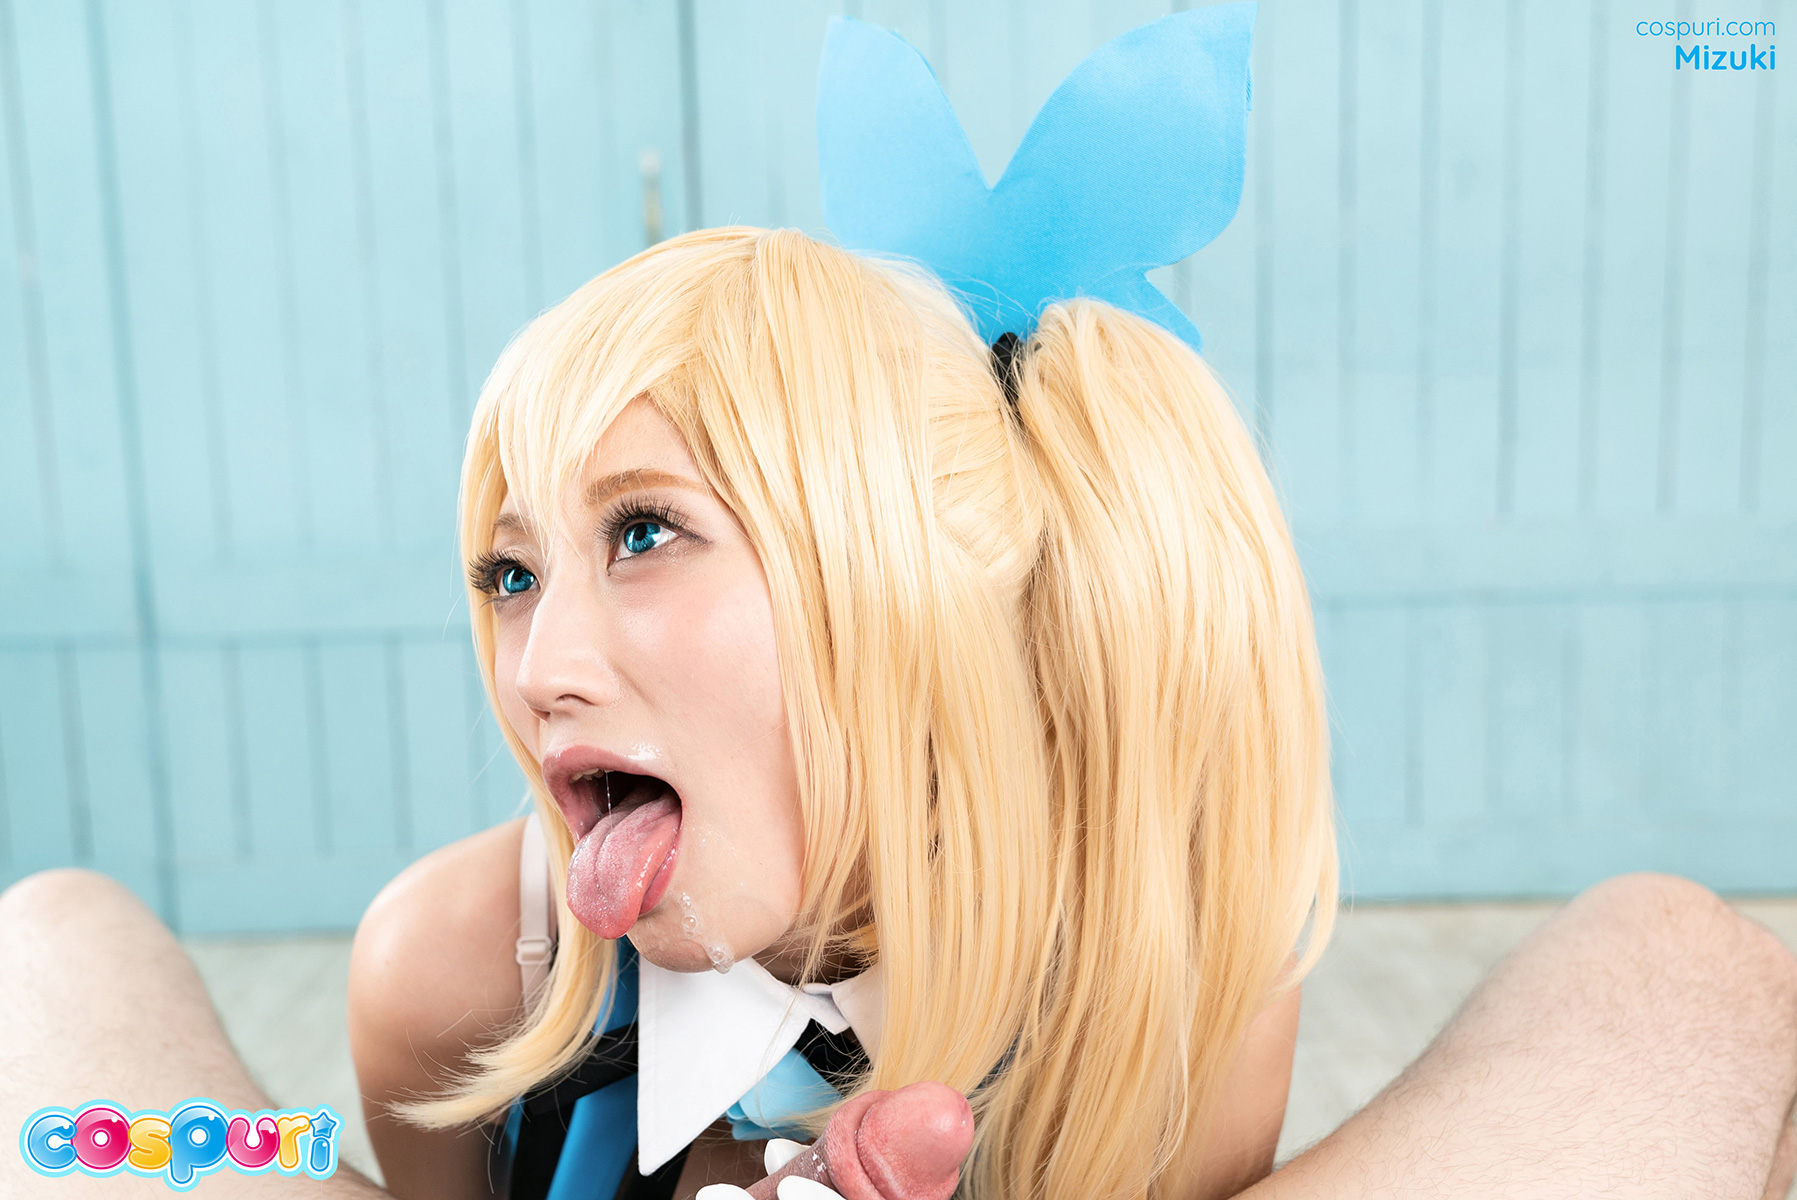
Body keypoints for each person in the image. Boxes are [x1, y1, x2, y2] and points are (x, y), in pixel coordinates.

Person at [3, 225, 1794, 1200]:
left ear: (912, 603)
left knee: (1687, 962)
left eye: (644, 534)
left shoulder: (1167, 977)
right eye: (507, 570)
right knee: (50, 958)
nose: (539, 663)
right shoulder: (460, 967)